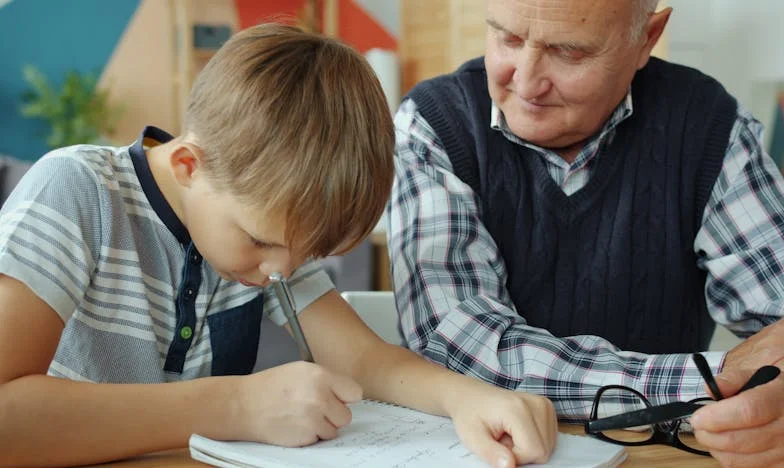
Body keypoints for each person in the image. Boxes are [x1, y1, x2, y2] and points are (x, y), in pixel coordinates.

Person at [0, 23, 558, 468]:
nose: (280, 272)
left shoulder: (270, 242)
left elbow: (362, 359)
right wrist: (237, 406)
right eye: (261, 240)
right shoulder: (77, 191)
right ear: (190, 165)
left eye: (307, 253)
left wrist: (468, 397)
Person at [387, 0, 784, 465]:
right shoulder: (434, 125)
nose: (527, 82)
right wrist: (713, 376)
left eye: (569, 53)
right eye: (507, 38)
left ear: (647, 39)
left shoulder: (711, 128)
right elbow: (462, 348)